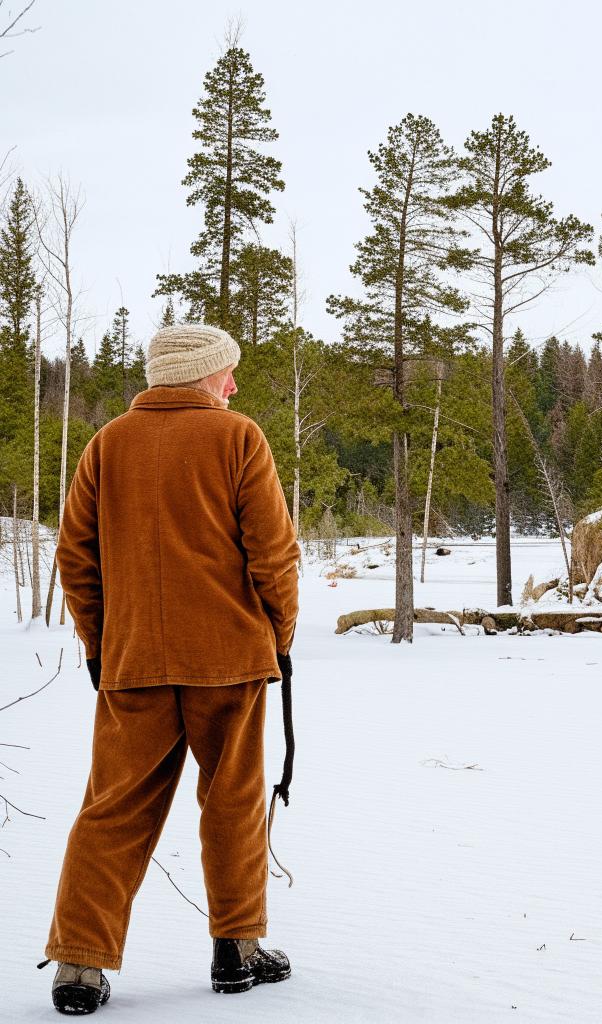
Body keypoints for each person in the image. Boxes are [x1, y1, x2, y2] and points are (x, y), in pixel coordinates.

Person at [41, 324, 301, 1015]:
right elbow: (273, 554)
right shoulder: (237, 438)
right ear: (204, 376)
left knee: (112, 809)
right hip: (229, 659)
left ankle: (78, 963)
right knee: (232, 802)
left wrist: (100, 646)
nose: (235, 386)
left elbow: (75, 558)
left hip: (134, 664)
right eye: (228, 373)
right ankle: (236, 948)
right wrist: (280, 636)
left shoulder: (106, 445)